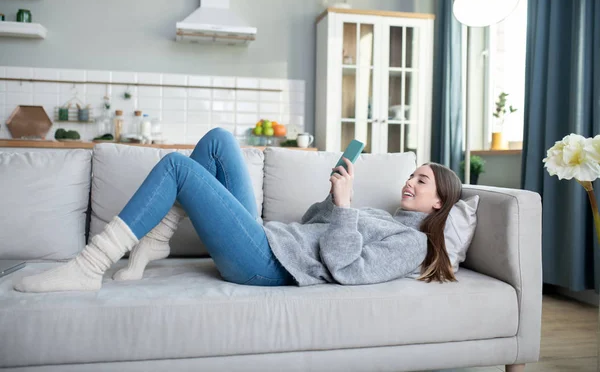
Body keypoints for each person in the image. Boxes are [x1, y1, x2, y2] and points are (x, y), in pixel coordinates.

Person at [14, 128, 461, 293]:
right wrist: (333, 198)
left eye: (421, 180)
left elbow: (346, 270)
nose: (409, 182)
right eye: (412, 174)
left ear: (438, 201)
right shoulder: (383, 217)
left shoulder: (414, 243)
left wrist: (345, 208)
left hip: (267, 265)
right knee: (218, 141)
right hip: (269, 238)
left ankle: (91, 265)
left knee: (175, 166)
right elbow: (309, 226)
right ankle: (154, 242)